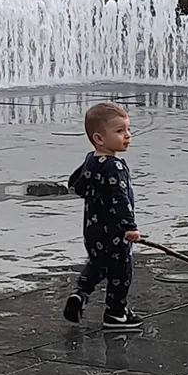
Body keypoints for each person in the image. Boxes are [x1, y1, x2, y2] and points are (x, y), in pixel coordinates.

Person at [64, 103, 143, 331]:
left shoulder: (92, 160)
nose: (127, 136)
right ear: (99, 138)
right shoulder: (114, 166)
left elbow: (76, 186)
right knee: (121, 270)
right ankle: (116, 313)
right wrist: (129, 227)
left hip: (92, 231)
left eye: (128, 130)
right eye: (119, 131)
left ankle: (81, 294)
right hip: (115, 233)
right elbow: (120, 199)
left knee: (98, 265)